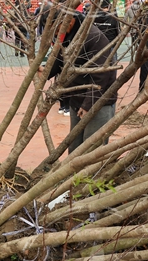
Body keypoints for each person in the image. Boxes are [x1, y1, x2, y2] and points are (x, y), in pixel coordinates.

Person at [44, 11, 117, 154]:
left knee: (91, 148)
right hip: (77, 98)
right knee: (74, 146)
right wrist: (45, 72)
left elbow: (101, 75)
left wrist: (88, 104)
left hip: (98, 101)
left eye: (57, 28)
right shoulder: (69, 35)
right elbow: (60, 58)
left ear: (69, 21)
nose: (56, 33)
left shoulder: (93, 37)